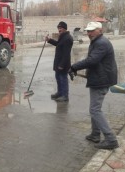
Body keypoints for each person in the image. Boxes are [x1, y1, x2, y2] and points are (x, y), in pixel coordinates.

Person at [69, 22, 119, 150]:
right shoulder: (97, 41)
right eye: (88, 30)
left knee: (95, 110)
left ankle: (111, 139)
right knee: (95, 108)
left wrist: (74, 66)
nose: (89, 33)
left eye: (92, 30)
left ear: (100, 30)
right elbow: (93, 61)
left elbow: (92, 60)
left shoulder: (101, 43)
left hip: (102, 80)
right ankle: (95, 134)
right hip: (98, 78)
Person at [45, 21, 73, 102]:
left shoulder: (67, 38)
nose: (59, 30)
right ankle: (60, 93)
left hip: (63, 63)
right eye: (58, 28)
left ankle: (65, 96)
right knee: (58, 78)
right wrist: (49, 40)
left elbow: (66, 54)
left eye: (60, 28)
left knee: (63, 78)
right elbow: (58, 44)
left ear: (64, 29)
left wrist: (62, 65)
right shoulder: (62, 36)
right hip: (58, 62)